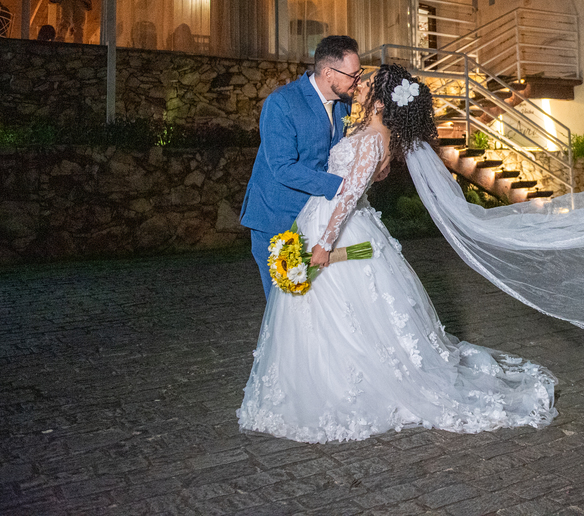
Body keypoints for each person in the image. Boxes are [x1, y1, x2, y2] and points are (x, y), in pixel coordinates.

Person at [238, 65, 557, 443]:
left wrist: (324, 245)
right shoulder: (367, 131)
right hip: (324, 221)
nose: (360, 85)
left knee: (342, 312)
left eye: (368, 83)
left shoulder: (373, 138)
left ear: (381, 100)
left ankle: (341, 386)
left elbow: (349, 195)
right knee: (326, 312)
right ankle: (313, 378)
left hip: (336, 228)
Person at [240, 35, 362, 300]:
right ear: (329, 72)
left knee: (315, 307)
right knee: (283, 305)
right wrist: (339, 185)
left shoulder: (344, 104)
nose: (358, 80)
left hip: (316, 217)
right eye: (353, 74)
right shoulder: (282, 103)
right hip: (277, 217)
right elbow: (282, 167)